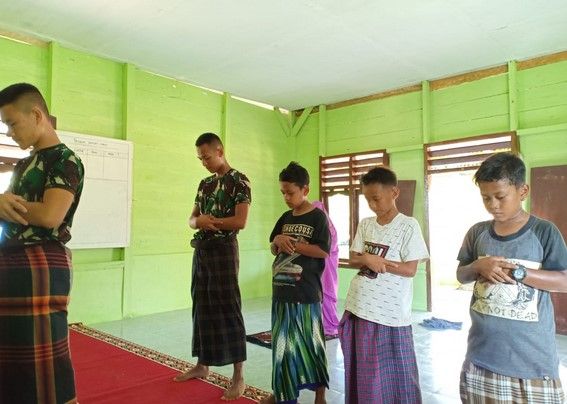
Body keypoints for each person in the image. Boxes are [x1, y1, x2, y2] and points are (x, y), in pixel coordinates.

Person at [457, 152, 567, 403]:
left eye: (500, 196)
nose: (493, 204)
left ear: (523, 191)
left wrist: (520, 272)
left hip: (532, 361)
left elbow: (564, 280)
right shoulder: (477, 233)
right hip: (482, 357)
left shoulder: (543, 231)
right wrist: (478, 265)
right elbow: (461, 275)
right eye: (486, 198)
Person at [0, 83, 84, 403]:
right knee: (15, 369)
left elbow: (51, 215)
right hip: (13, 264)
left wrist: (4, 206)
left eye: (12, 123)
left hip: (41, 266)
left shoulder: (64, 160)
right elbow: (13, 211)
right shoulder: (24, 164)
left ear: (36, 115)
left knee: (49, 368)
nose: (9, 132)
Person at [339, 166, 429, 404]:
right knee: (365, 369)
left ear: (395, 193)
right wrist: (368, 258)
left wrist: (381, 263)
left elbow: (410, 269)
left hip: (389, 313)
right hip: (359, 305)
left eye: (376, 198)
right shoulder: (367, 224)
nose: (372, 204)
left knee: (395, 370)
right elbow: (354, 257)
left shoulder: (408, 226)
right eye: (367, 199)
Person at [174, 132, 250, 401]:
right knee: (201, 306)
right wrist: (199, 223)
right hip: (202, 251)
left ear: (220, 150)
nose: (203, 162)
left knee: (228, 307)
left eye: (206, 157)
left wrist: (211, 222)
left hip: (224, 251)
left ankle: (238, 375)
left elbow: (240, 222)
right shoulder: (204, 184)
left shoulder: (239, 181)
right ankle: (202, 364)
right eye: (200, 158)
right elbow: (191, 219)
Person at [261, 162, 330, 404]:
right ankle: (283, 392)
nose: (286, 198)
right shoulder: (285, 217)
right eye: (283, 192)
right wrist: (277, 240)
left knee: (311, 345)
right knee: (281, 346)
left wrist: (294, 244)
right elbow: (273, 247)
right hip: (281, 292)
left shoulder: (318, 217)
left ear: (305, 189)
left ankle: (320, 393)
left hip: (306, 293)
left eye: (290, 192)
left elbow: (323, 251)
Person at [312, 200, 340, 337]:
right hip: (322, 265)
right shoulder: (322, 227)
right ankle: (323, 324)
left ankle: (331, 326)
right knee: (321, 294)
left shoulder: (329, 229)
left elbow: (327, 249)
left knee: (328, 294)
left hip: (328, 266)